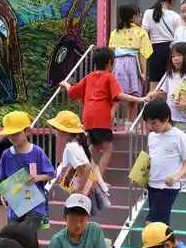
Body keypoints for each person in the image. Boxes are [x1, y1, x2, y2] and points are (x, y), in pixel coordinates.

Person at [64, 47, 149, 183]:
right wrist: (139, 99)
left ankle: (82, 173)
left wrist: (66, 84)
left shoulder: (89, 77)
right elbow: (119, 95)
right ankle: (98, 180)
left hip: (88, 116)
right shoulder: (109, 77)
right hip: (101, 116)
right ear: (110, 63)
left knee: (96, 145)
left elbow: (72, 92)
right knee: (108, 147)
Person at [0, 111, 54, 230]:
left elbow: (50, 174)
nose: (12, 137)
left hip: (35, 205)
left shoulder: (37, 152)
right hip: (15, 206)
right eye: (9, 134)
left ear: (28, 131)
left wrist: (37, 178)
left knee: (28, 236)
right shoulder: (6, 154)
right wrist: (2, 193)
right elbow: (1, 177)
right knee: (13, 236)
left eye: (15, 133)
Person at [143, 99, 186, 227]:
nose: (151, 127)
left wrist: (177, 176)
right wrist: (140, 175)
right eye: (148, 123)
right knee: (162, 226)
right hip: (152, 184)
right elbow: (151, 158)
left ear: (166, 118)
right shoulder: (152, 136)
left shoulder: (179, 136)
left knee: (151, 223)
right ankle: (169, 240)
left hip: (168, 187)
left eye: (154, 123)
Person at [108, 4, 154, 121]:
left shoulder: (115, 33)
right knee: (134, 98)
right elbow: (143, 54)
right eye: (139, 16)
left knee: (116, 97)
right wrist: (143, 73)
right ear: (133, 17)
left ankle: (107, 123)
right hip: (133, 64)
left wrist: (109, 71)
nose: (140, 18)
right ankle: (130, 126)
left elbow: (111, 52)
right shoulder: (141, 32)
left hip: (118, 65)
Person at [155, 41, 186, 143]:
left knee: (185, 148)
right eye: (173, 56)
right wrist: (154, 94)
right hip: (170, 118)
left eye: (179, 55)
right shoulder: (170, 75)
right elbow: (165, 93)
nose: (175, 59)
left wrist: (184, 104)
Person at [46, 110, 101, 200]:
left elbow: (87, 167)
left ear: (66, 132)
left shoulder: (72, 147)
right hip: (79, 188)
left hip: (80, 191)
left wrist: (79, 192)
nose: (54, 131)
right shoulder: (76, 144)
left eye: (56, 128)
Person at [142, 0, 181, 93]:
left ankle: (152, 103)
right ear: (172, 0)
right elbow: (178, 37)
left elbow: (144, 34)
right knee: (171, 87)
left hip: (154, 51)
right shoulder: (176, 16)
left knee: (153, 88)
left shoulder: (148, 13)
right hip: (171, 51)